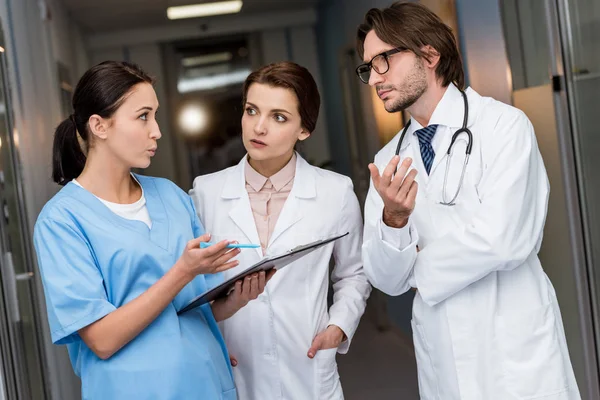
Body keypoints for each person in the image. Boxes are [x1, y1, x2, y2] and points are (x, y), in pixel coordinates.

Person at [356, 3, 580, 399]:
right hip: (443, 353)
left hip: (513, 344)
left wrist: (419, 268)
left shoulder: (503, 127)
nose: (374, 77)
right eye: (368, 67)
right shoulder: (386, 161)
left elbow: (504, 239)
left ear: (429, 55)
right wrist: (393, 219)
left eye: (383, 60)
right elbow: (387, 279)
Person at [33, 60, 271, 400]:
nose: (156, 130)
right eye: (143, 116)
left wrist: (236, 300)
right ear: (99, 125)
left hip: (206, 383)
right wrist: (182, 272)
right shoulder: (62, 221)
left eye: (155, 115)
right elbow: (101, 339)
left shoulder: (171, 195)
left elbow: (190, 309)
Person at [190, 61, 371, 399]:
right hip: (234, 366)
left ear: (305, 130)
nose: (258, 127)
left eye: (279, 117)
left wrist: (338, 328)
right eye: (251, 110)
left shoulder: (335, 192)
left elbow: (354, 273)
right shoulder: (205, 193)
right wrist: (207, 340)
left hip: (307, 365)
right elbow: (191, 285)